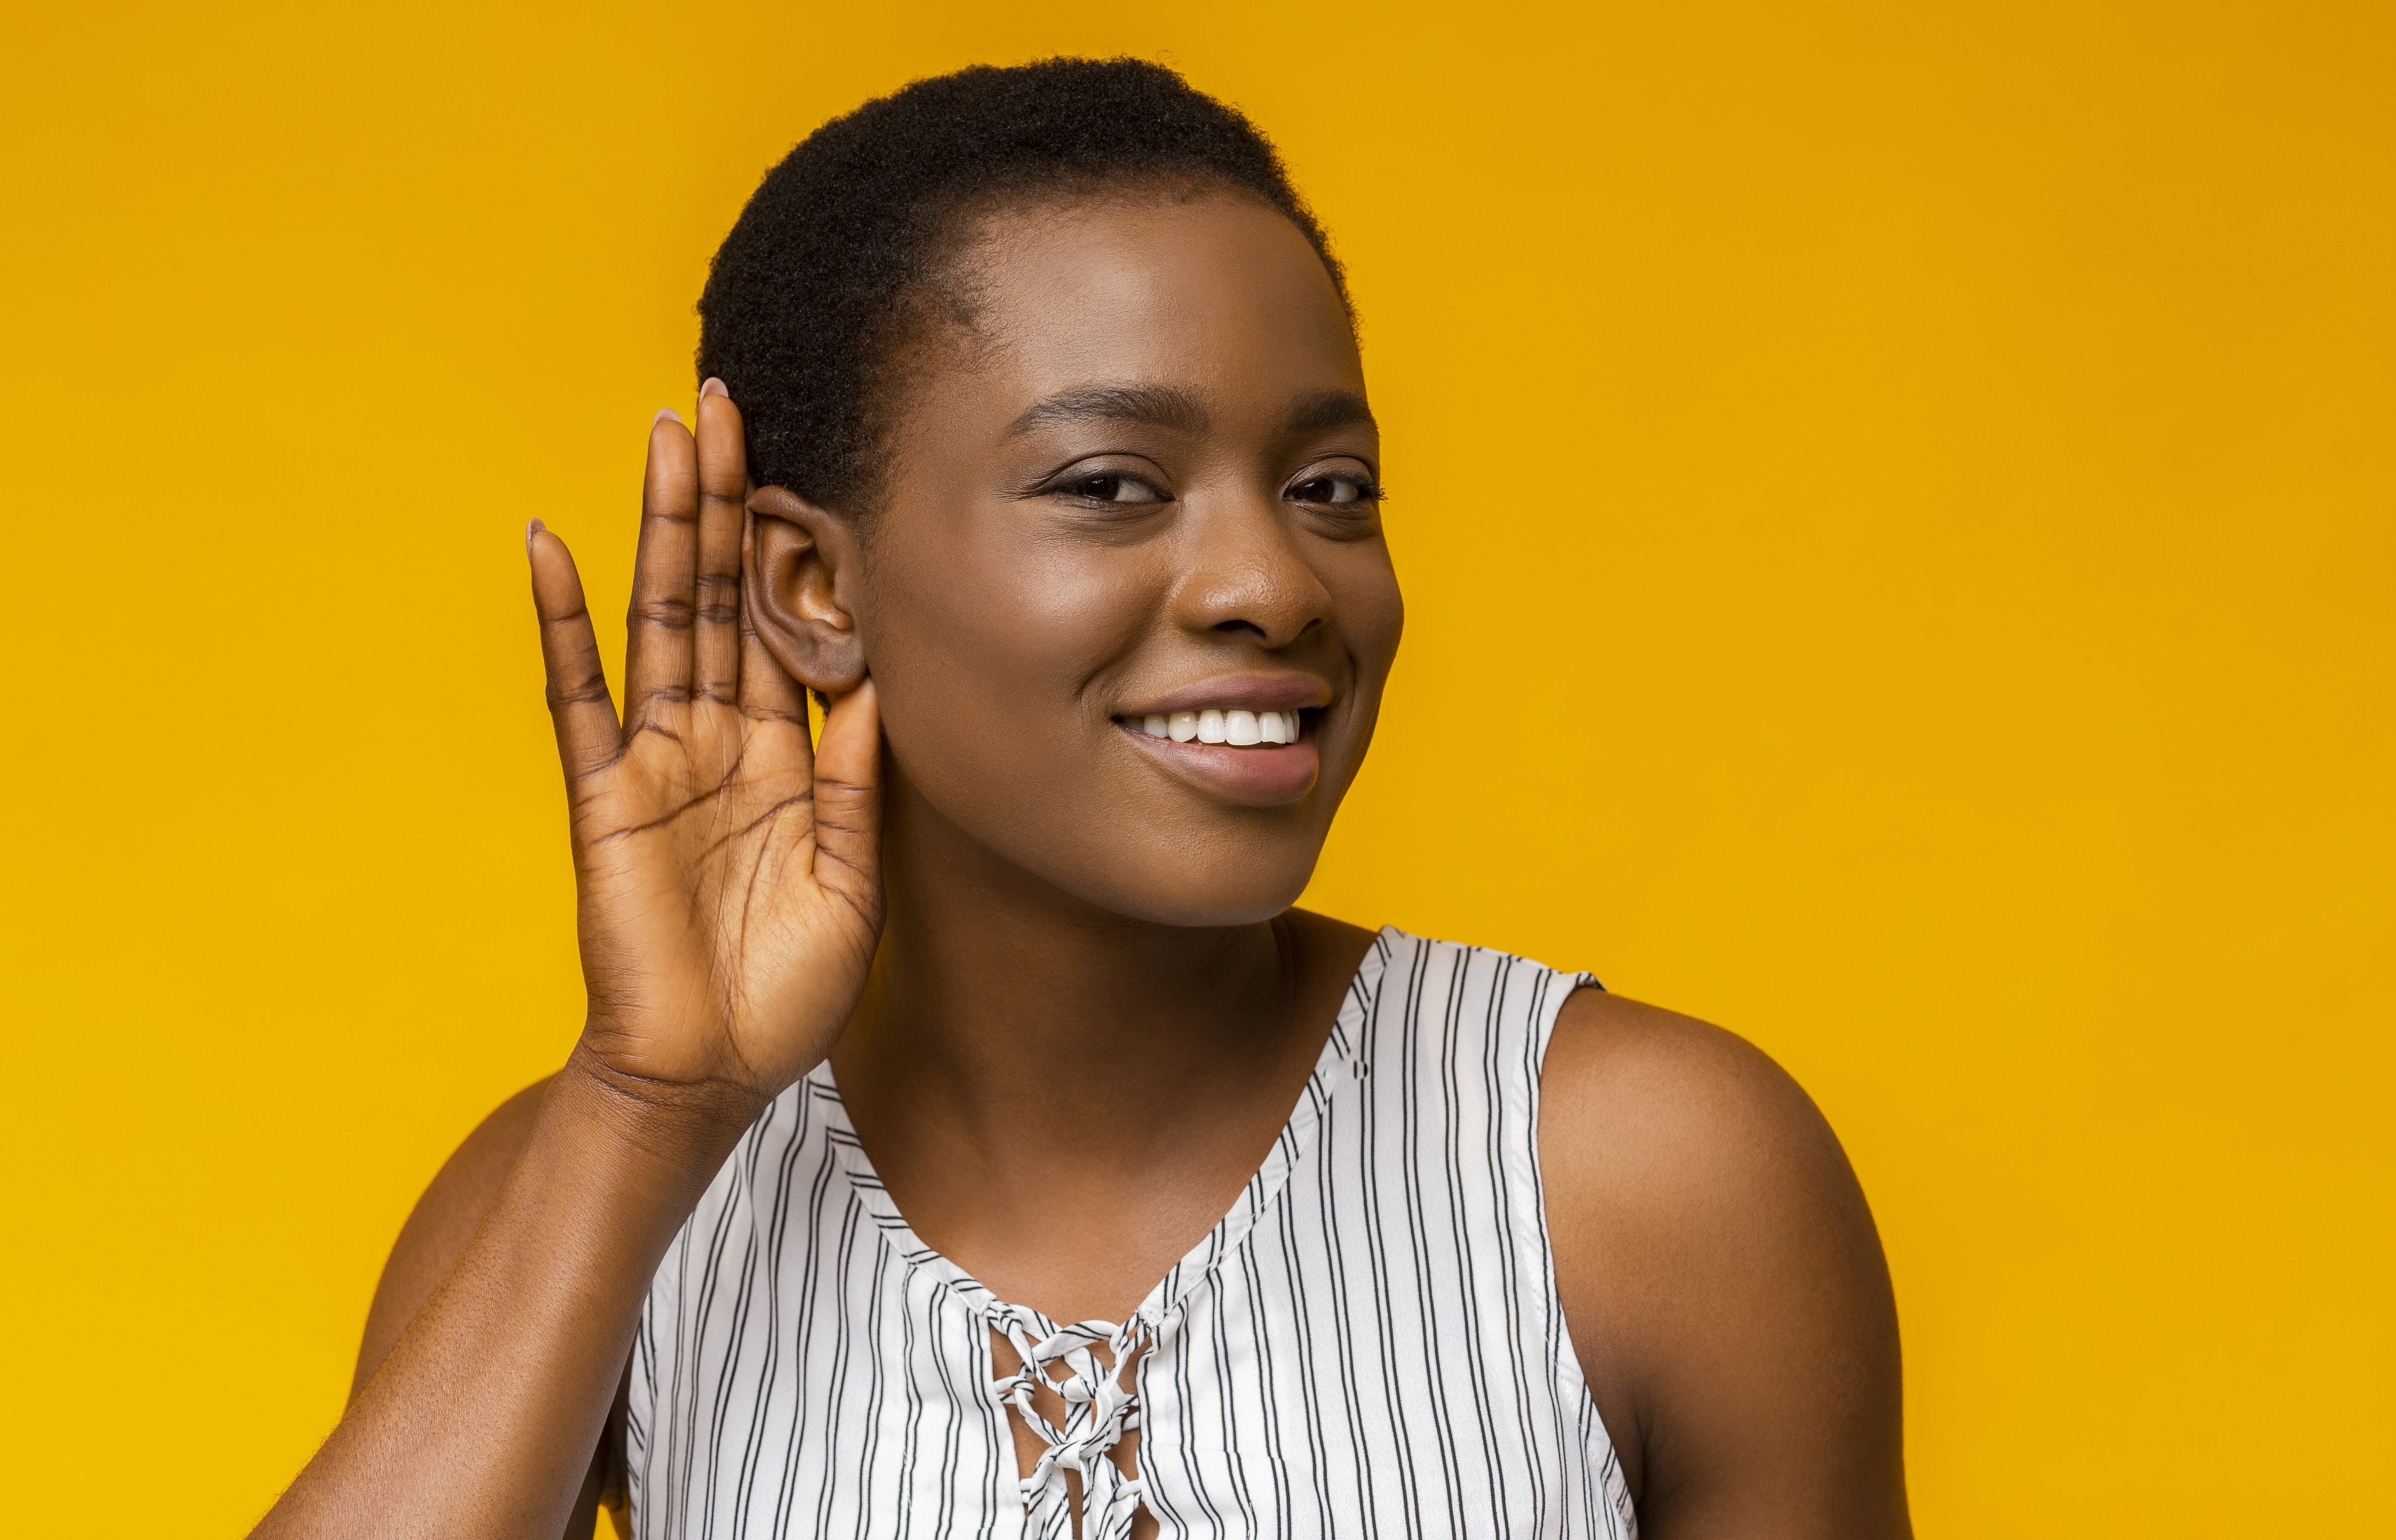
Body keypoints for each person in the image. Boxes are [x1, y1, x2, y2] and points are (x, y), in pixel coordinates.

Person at [253, 57, 1910, 1540]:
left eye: (1330, 488)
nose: (1275, 580)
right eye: (1111, 487)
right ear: (812, 586)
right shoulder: (580, 1199)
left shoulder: (1645, 1179)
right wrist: (640, 1113)